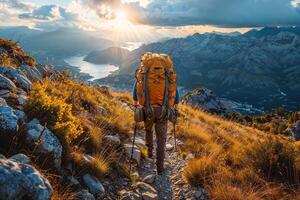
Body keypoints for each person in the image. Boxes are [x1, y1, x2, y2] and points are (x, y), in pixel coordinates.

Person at [132, 57, 180, 174]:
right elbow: (176, 95)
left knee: (148, 131)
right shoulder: (167, 76)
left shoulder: (145, 74)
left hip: (147, 109)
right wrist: (174, 106)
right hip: (163, 111)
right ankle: (160, 167)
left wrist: (136, 105)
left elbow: (135, 92)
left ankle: (149, 152)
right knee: (162, 139)